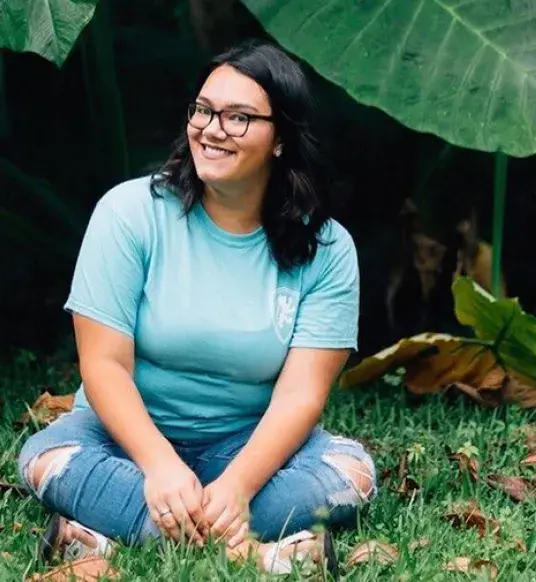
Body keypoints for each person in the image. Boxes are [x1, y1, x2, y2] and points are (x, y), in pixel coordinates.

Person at [17, 39, 375, 577]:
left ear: (281, 138)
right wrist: (159, 466)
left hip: (249, 446)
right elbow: (103, 365)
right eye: (204, 110)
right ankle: (266, 556)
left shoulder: (325, 248)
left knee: (351, 472)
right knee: (48, 460)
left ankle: (110, 533)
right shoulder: (129, 213)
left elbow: (301, 394)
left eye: (238, 117)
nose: (211, 129)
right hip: (122, 438)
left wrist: (237, 485)